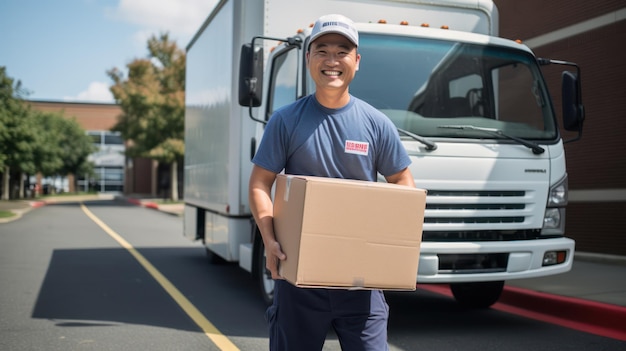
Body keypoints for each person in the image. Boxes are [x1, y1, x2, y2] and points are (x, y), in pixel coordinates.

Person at [248, 14, 415, 351]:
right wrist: (269, 238)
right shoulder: (286, 121)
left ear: (357, 61)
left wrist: (390, 240)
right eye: (322, 50)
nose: (332, 60)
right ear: (309, 58)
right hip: (299, 282)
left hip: (361, 287)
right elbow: (259, 184)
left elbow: (403, 183)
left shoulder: (376, 124)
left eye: (342, 51)